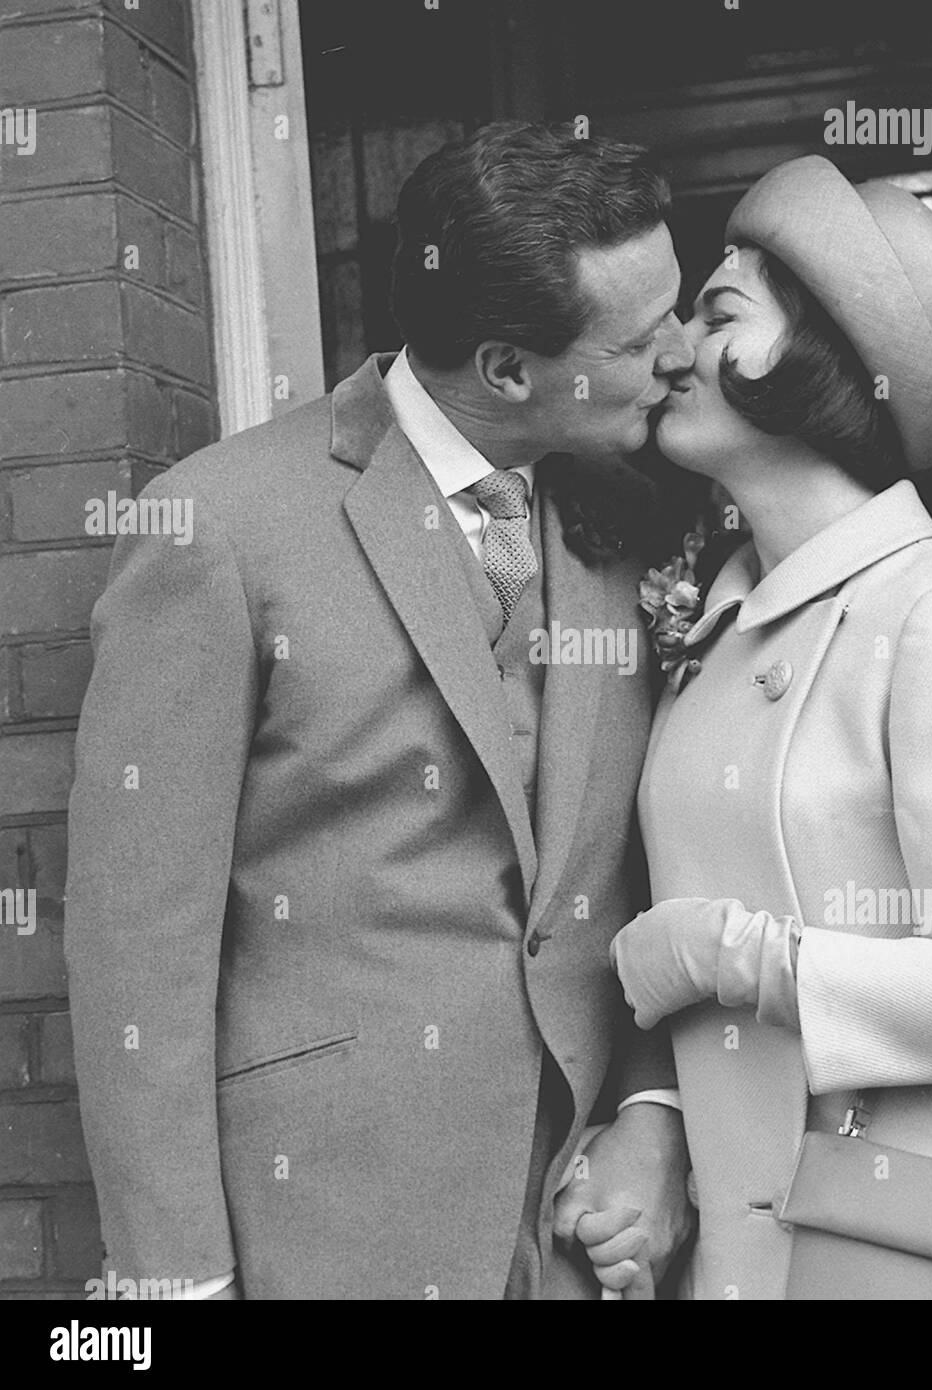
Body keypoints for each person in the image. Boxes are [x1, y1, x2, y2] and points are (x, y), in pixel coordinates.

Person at [64, 122, 694, 1300]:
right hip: (326, 1226)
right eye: (642, 334)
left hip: (579, 1232)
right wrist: (172, 1284)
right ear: (509, 367)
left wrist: (650, 1108)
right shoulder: (217, 527)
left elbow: (640, 862)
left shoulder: (629, 509)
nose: (682, 352)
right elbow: (133, 945)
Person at [610, 155, 932, 1299]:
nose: (671, 348)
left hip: (929, 1262)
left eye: (716, 310)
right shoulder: (714, 625)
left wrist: (725, 955)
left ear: (827, 362)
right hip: (749, 1247)